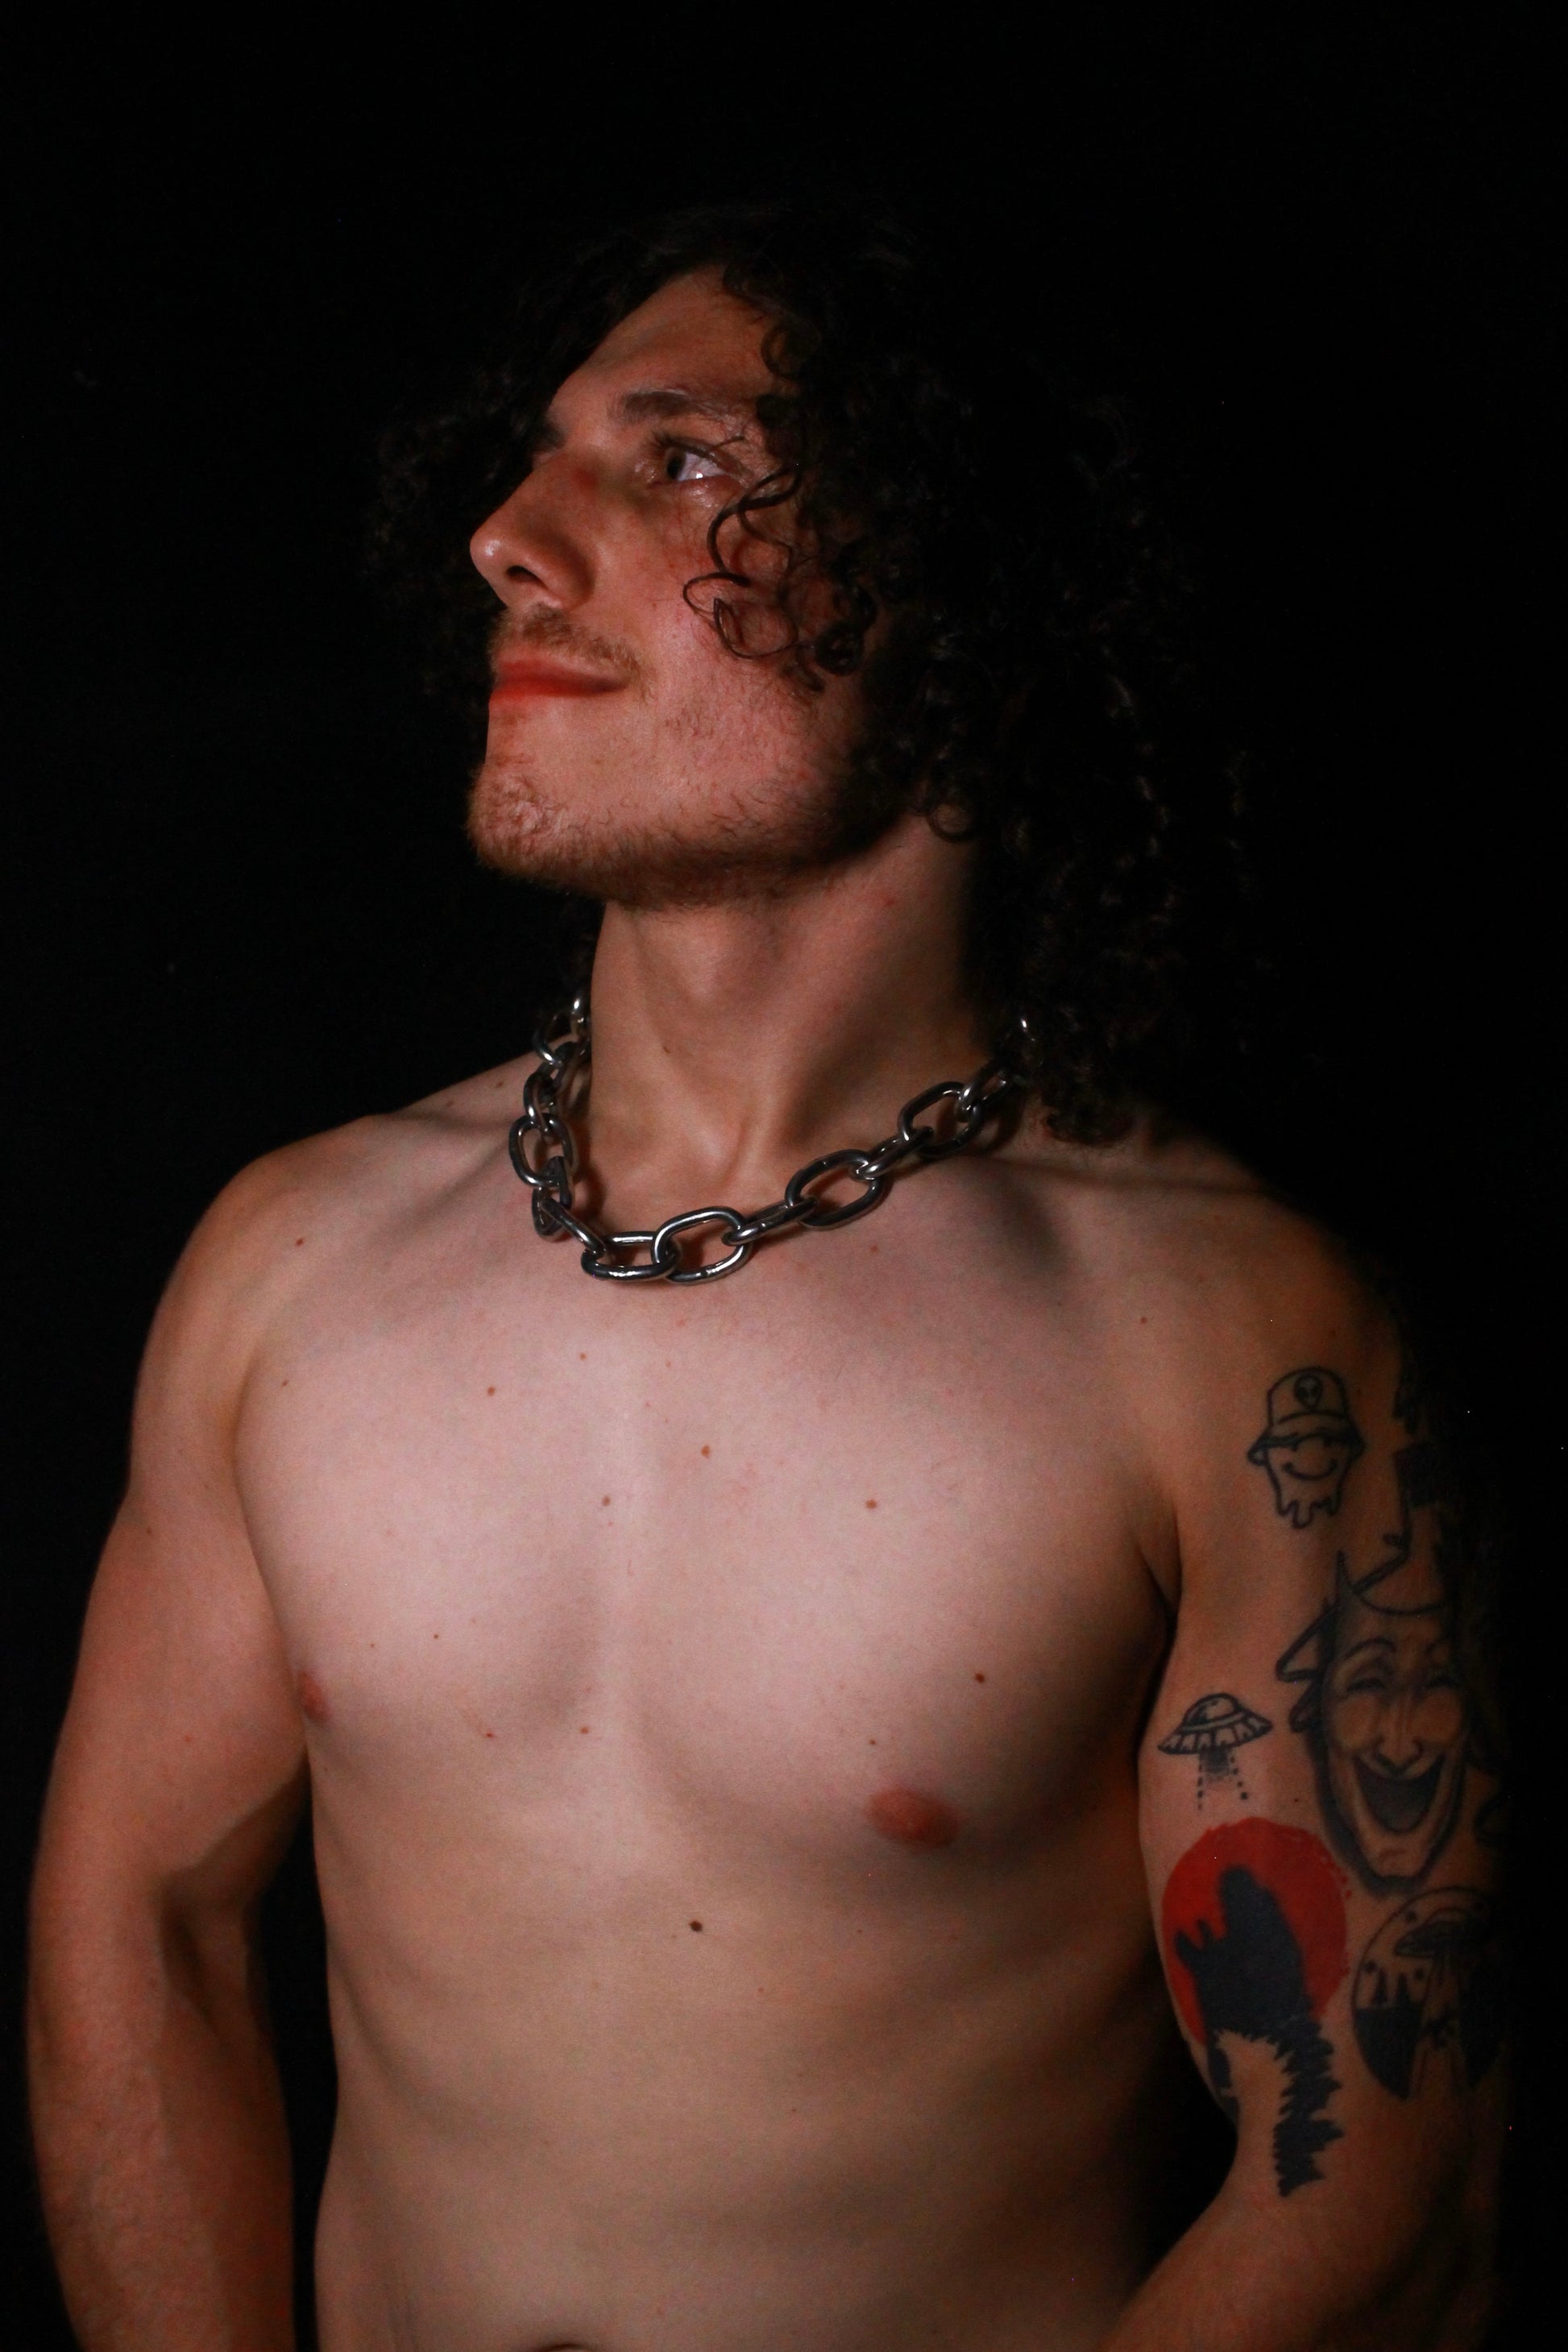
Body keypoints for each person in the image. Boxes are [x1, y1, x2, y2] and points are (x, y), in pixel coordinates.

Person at [27, 202, 1504, 2351]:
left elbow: (1378, 2183)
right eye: (537, 459)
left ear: (961, 594)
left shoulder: (1224, 1340)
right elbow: (138, 1927)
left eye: (684, 462)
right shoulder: (293, 1262)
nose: (510, 542)